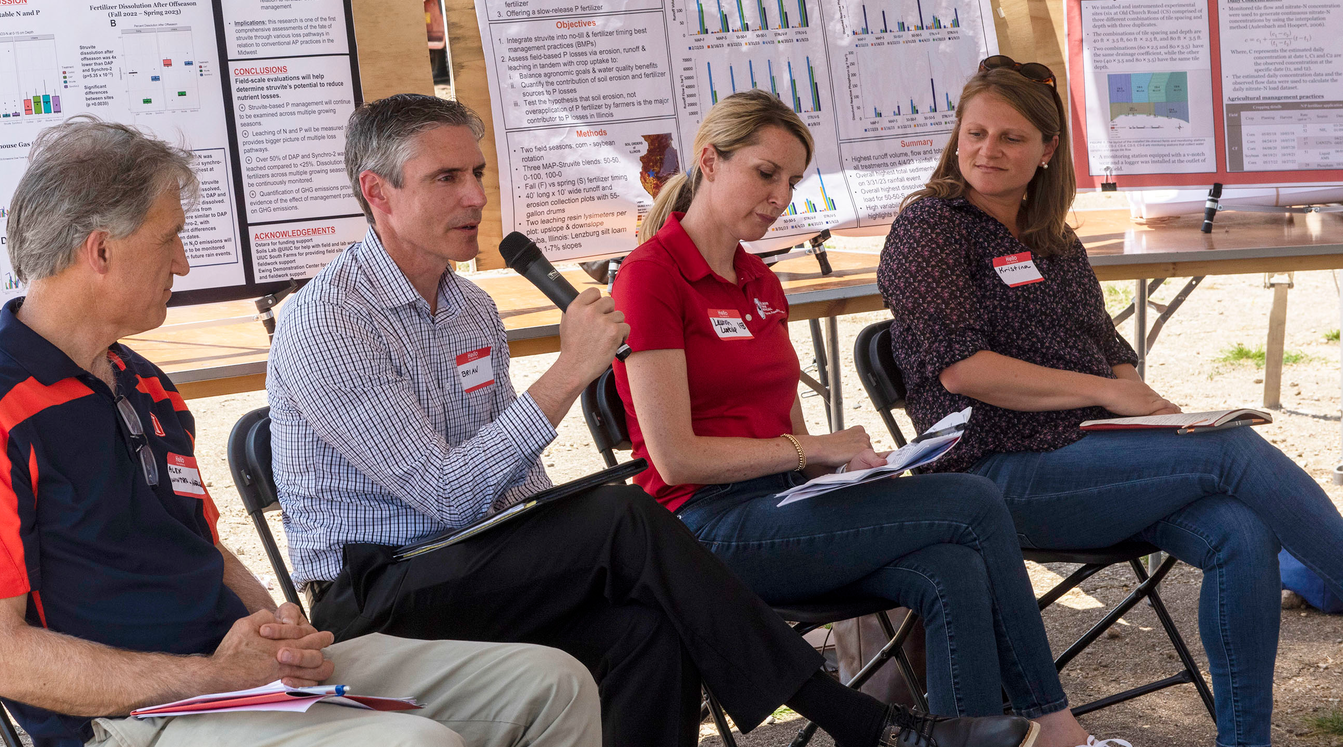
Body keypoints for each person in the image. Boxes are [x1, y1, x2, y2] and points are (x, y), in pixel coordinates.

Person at [266, 92, 1039, 747]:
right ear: (378, 192)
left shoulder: (469, 307)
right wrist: (570, 371)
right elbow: (444, 494)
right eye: (447, 178)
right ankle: (865, 724)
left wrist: (554, 534)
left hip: (471, 562)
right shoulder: (328, 319)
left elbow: (513, 483)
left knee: (651, 624)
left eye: (477, 174)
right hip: (375, 589)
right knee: (618, 513)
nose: (474, 197)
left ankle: (887, 727)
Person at [0, 116, 604, 747]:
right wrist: (214, 676)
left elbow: (200, 546)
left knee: (555, 684)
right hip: (133, 718)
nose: (183, 262)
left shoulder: (143, 383)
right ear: (100, 251)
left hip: (236, 680)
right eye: (170, 238)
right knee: (411, 743)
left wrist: (279, 630)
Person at [609, 90, 1112, 747]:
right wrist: (812, 449)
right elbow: (676, 458)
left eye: (792, 181)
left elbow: (788, 428)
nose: (780, 197)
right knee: (974, 499)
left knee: (953, 567)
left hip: (782, 507)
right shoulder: (650, 275)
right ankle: (1053, 725)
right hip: (701, 531)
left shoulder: (759, 279)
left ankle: (971, 736)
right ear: (709, 161)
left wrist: (846, 468)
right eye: (766, 173)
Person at [879, 57, 1343, 747]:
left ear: (1047, 150)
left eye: (1010, 137)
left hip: (1091, 454)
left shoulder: (1050, 234)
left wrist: (1145, 406)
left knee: (1242, 532)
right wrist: (1108, 392)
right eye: (975, 133)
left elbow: (1104, 342)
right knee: (1229, 449)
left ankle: (1246, 742)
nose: (987, 150)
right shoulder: (931, 227)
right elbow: (963, 372)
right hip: (992, 472)